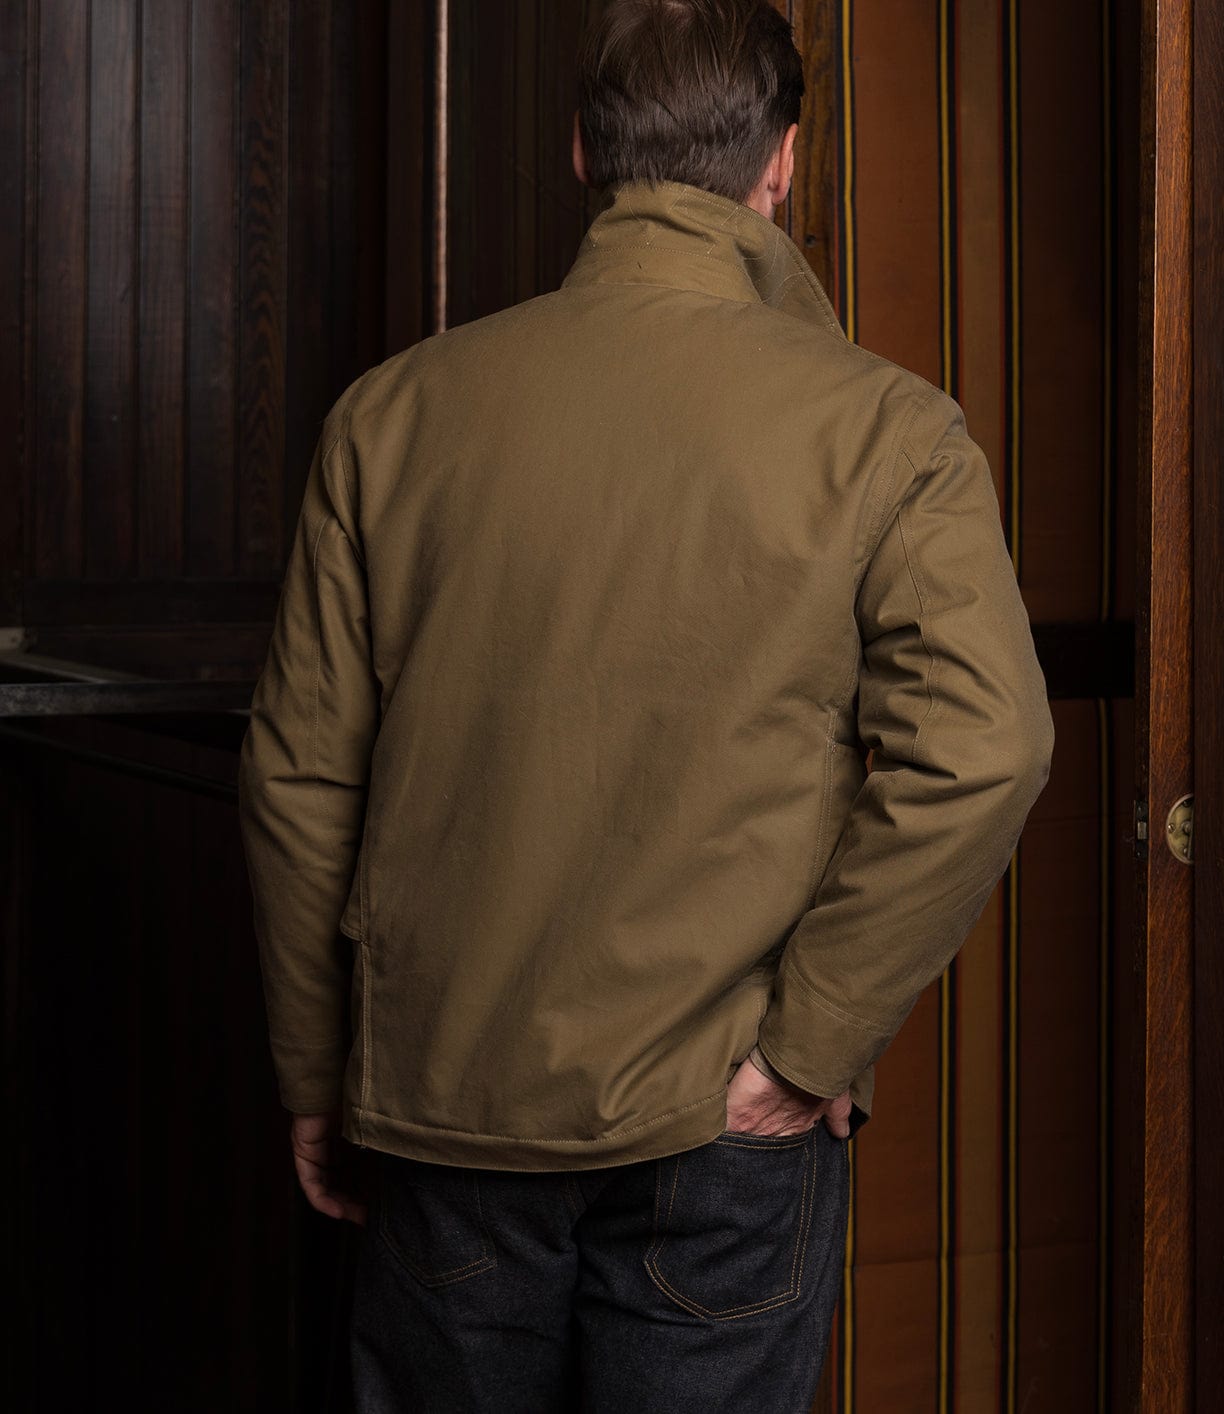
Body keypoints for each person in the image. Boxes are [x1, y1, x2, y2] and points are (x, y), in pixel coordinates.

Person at [238, 1, 1054, 1408]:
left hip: (449, 1109)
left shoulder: (390, 416)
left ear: (580, 154)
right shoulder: (889, 428)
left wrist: (321, 1068)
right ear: (783, 167)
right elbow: (988, 748)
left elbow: (301, 777)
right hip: (720, 1119)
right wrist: (806, 1044)